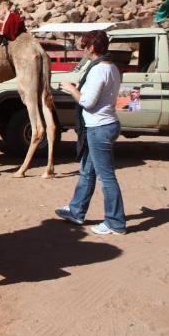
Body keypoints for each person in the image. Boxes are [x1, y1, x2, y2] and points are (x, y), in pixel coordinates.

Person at [55, 30, 127, 235]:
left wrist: (71, 89)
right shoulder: (111, 67)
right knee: (87, 170)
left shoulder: (97, 70)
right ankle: (76, 210)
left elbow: (88, 102)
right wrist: (81, 88)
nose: (83, 51)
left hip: (99, 128)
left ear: (92, 48)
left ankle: (115, 222)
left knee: (106, 177)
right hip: (103, 125)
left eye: (84, 46)